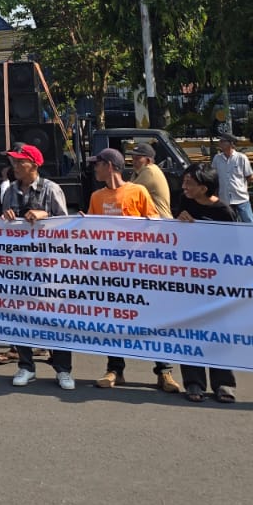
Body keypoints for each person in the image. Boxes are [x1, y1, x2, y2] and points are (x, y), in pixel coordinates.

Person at [87, 148, 182, 393]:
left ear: (109, 166)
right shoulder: (96, 196)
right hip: (110, 270)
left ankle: (164, 371)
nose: (94, 168)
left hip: (139, 269)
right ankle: (114, 370)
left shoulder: (138, 191)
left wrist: (136, 247)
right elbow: (92, 231)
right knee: (113, 320)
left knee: (152, 318)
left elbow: (154, 224)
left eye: (97, 164)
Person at [0, 143, 75, 389]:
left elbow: (66, 226)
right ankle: (26, 366)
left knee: (55, 318)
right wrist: (6, 218)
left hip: (48, 267)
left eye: (21, 162)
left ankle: (63, 369)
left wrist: (45, 216)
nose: (16, 166)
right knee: (21, 316)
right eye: (14, 162)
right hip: (20, 266)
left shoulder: (51, 189)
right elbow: (3, 227)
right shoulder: (10, 191)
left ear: (34, 165)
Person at [174, 164, 238, 402]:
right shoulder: (185, 201)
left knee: (217, 330)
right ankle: (193, 382)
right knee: (189, 328)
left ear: (204, 187)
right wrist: (179, 222)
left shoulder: (224, 211)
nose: (184, 186)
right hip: (188, 278)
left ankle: (223, 383)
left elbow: (232, 248)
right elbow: (175, 235)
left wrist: (200, 231)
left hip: (216, 281)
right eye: (184, 181)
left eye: (189, 183)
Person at [212, 133, 253, 223]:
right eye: (220, 141)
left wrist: (241, 187)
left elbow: (249, 176)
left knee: (250, 223)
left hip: (241, 198)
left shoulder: (242, 158)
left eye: (222, 141)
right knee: (228, 224)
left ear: (231, 143)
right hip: (224, 199)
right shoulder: (217, 158)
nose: (220, 143)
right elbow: (213, 176)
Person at [126, 139, 173, 219]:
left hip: (160, 220)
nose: (133, 162)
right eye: (133, 158)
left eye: (137, 159)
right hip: (152, 219)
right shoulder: (138, 172)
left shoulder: (149, 171)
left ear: (148, 160)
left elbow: (127, 193)